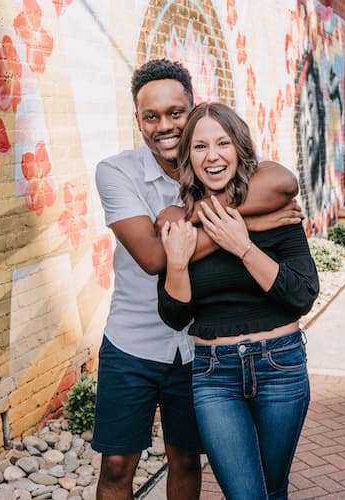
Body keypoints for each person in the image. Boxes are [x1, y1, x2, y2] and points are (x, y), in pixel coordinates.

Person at [92, 58, 304, 500]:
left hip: (199, 351)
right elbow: (156, 257)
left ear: (194, 109)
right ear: (138, 120)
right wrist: (253, 224)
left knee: (186, 459)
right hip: (133, 340)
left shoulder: (215, 162)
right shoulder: (116, 171)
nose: (165, 126)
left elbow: (283, 181)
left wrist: (203, 226)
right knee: (115, 466)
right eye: (151, 116)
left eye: (176, 113)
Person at [157, 102, 320, 500]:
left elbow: (302, 293)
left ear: (240, 149)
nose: (212, 156)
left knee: (273, 490)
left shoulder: (277, 206)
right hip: (216, 375)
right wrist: (177, 264)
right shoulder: (179, 223)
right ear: (187, 157)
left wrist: (244, 247)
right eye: (199, 147)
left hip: (280, 365)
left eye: (222, 143)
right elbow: (175, 316)